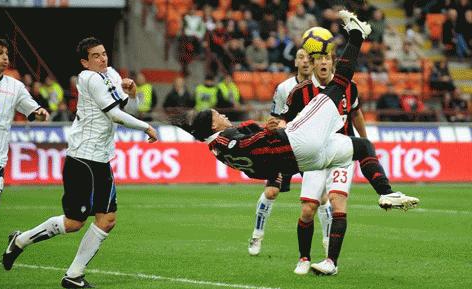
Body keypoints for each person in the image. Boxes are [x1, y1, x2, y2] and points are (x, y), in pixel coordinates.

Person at [172, 11, 419, 276]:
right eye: (217, 116)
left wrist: (267, 146)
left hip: (303, 158)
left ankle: (386, 192)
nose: (223, 115)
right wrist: (272, 134)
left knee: (361, 147)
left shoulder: (218, 147)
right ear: (211, 126)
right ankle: (357, 33)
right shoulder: (225, 141)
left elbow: (251, 160)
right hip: (297, 141)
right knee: (338, 87)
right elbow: (249, 143)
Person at [2, 37, 158, 288]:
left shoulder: (112, 74)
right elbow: (114, 114)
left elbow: (129, 110)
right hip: (83, 157)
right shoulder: (88, 79)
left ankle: (74, 275)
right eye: (95, 56)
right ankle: (20, 241)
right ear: (85, 62)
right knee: (74, 222)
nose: (102, 58)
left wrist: (132, 95)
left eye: (104, 53)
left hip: (102, 158)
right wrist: (146, 127)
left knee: (107, 219)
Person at [275, 43, 369, 275]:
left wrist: (365, 143)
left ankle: (331, 262)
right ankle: (304, 257)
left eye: (328, 58)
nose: (324, 62)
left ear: (334, 62)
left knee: (338, 203)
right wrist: (279, 132)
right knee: (308, 209)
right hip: (314, 156)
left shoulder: (349, 87)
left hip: (342, 153)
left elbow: (355, 113)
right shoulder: (300, 92)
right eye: (320, 59)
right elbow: (284, 120)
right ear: (313, 64)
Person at [247, 48, 333, 258]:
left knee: (321, 198)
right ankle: (257, 235)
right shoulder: (284, 88)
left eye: (308, 58)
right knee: (271, 192)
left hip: (310, 150)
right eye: (300, 58)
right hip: (285, 148)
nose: (305, 62)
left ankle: (328, 242)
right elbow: (274, 118)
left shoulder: (322, 88)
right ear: (295, 62)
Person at [0, 36, 49, 219]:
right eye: (0, 53)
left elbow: (33, 110)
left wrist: (40, 113)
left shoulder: (15, 87)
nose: (5, 58)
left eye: (6, 53)